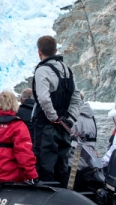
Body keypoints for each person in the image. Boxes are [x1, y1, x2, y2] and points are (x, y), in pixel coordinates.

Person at [31, 35, 84, 186]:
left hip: (47, 125)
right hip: (64, 126)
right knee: (61, 164)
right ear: (55, 50)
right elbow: (76, 98)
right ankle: (63, 195)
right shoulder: (67, 70)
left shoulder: (42, 70)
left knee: (44, 163)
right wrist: (70, 118)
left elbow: (44, 98)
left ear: (39, 52)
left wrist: (53, 117)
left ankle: (44, 196)